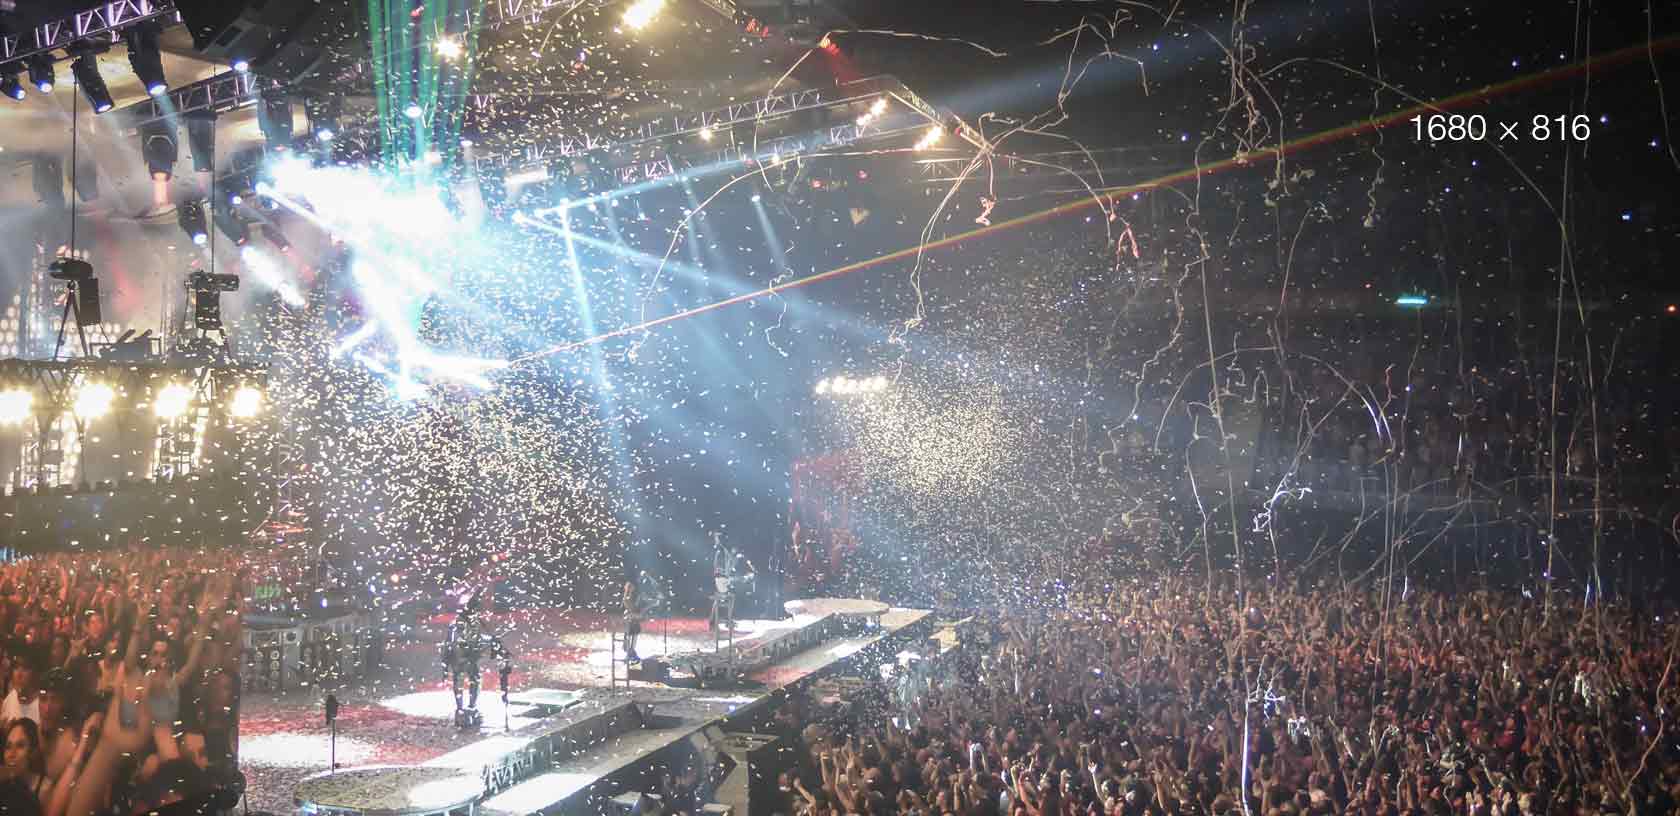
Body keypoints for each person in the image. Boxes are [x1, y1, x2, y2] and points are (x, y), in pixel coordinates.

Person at [0, 719, 51, 807]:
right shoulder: (5, 783)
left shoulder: (45, 790)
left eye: (20, 746)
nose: (11, 754)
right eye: (8, 747)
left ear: (33, 752)